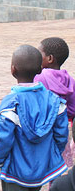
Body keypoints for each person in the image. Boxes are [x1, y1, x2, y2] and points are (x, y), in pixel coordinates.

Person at [0, 45, 68, 190]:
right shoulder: (54, 101)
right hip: (43, 170)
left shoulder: (10, 105)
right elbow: (61, 135)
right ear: (40, 69)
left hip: (15, 173)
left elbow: (4, 140)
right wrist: (52, 155)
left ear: (13, 69)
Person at [34, 37, 75, 168]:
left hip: (42, 131)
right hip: (61, 130)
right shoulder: (69, 79)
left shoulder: (39, 78)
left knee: (43, 166)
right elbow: (73, 108)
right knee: (57, 167)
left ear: (50, 59)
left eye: (39, 54)